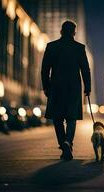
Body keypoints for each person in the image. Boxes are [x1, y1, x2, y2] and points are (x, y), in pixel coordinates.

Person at [41, 21, 91, 161]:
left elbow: (45, 69)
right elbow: (85, 69)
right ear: (74, 32)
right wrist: (87, 87)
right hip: (74, 87)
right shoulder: (79, 48)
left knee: (57, 118)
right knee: (71, 117)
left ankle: (63, 145)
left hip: (56, 87)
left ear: (61, 31)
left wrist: (46, 86)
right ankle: (68, 141)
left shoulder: (52, 47)